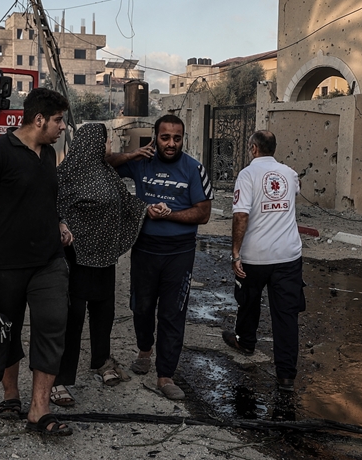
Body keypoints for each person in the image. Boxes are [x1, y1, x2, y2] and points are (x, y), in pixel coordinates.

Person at [0, 88, 75, 437]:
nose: (62, 128)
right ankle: (11, 394)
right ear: (38, 119)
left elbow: (43, 198)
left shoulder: (48, 154)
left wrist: (59, 223)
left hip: (48, 260)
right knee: (6, 330)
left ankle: (39, 409)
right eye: (58, 121)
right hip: (5, 262)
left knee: (53, 324)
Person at [108, 114, 212, 400]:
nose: (171, 143)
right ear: (155, 137)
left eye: (176, 138)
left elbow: (203, 213)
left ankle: (165, 375)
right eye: (165, 137)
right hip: (144, 248)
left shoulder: (194, 169)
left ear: (182, 140)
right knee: (141, 307)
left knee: (172, 313)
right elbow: (106, 164)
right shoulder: (142, 162)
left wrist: (172, 214)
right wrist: (132, 153)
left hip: (179, 252)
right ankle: (145, 349)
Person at [53, 123, 148, 405]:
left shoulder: (107, 172)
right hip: (77, 258)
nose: (109, 147)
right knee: (73, 318)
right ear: (94, 143)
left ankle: (101, 361)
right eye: (107, 142)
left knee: (104, 311)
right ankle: (60, 378)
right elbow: (54, 208)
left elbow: (125, 202)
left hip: (104, 257)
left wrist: (146, 209)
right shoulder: (66, 175)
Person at [221, 130, 306, 392]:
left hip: (256, 256)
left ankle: (246, 341)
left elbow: (241, 216)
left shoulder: (247, 175)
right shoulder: (290, 174)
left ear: (253, 148)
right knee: (286, 315)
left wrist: (236, 252)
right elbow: (292, 196)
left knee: (248, 300)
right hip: (288, 255)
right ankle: (286, 375)